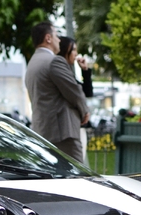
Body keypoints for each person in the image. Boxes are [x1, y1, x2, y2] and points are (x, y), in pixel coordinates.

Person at [25, 22, 90, 162]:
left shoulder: (32, 63)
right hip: (63, 133)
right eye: (56, 35)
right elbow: (74, 91)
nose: (59, 40)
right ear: (48, 38)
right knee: (77, 179)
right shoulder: (54, 61)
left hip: (42, 131)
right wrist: (85, 111)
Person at [58, 36, 93, 163]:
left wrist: (85, 70)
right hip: (71, 125)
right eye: (73, 50)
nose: (76, 54)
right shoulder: (61, 71)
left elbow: (86, 92)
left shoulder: (68, 71)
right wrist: (85, 112)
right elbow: (78, 95)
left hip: (77, 124)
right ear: (65, 50)